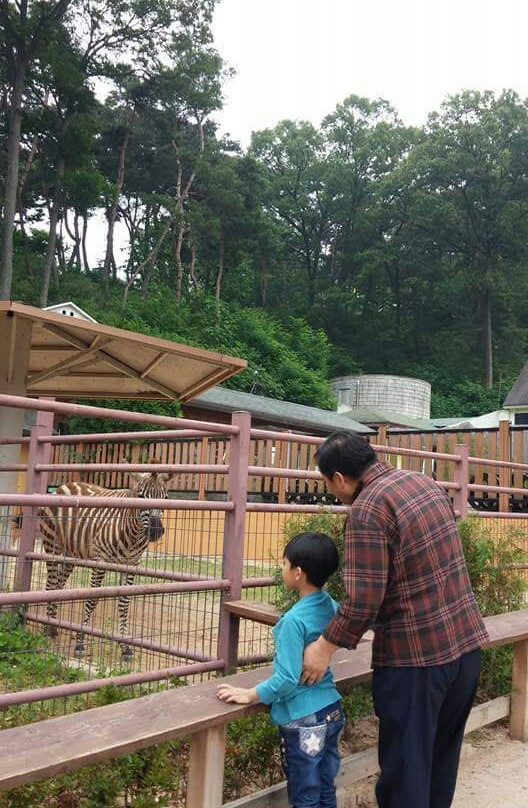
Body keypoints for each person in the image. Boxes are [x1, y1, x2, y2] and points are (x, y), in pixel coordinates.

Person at [301, 432, 489, 808]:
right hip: (465, 649)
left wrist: (324, 646)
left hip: (415, 663)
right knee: (439, 762)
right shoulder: (423, 482)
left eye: (327, 482)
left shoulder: (367, 509)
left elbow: (363, 599)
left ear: (338, 477)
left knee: (405, 776)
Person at [217, 532, 345, 808]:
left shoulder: (292, 622)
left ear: (298, 573)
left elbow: (287, 679)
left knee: (305, 796)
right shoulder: (331, 606)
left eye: (284, 563)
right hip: (332, 711)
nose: (281, 568)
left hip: (304, 721)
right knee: (325, 788)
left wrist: (252, 694)